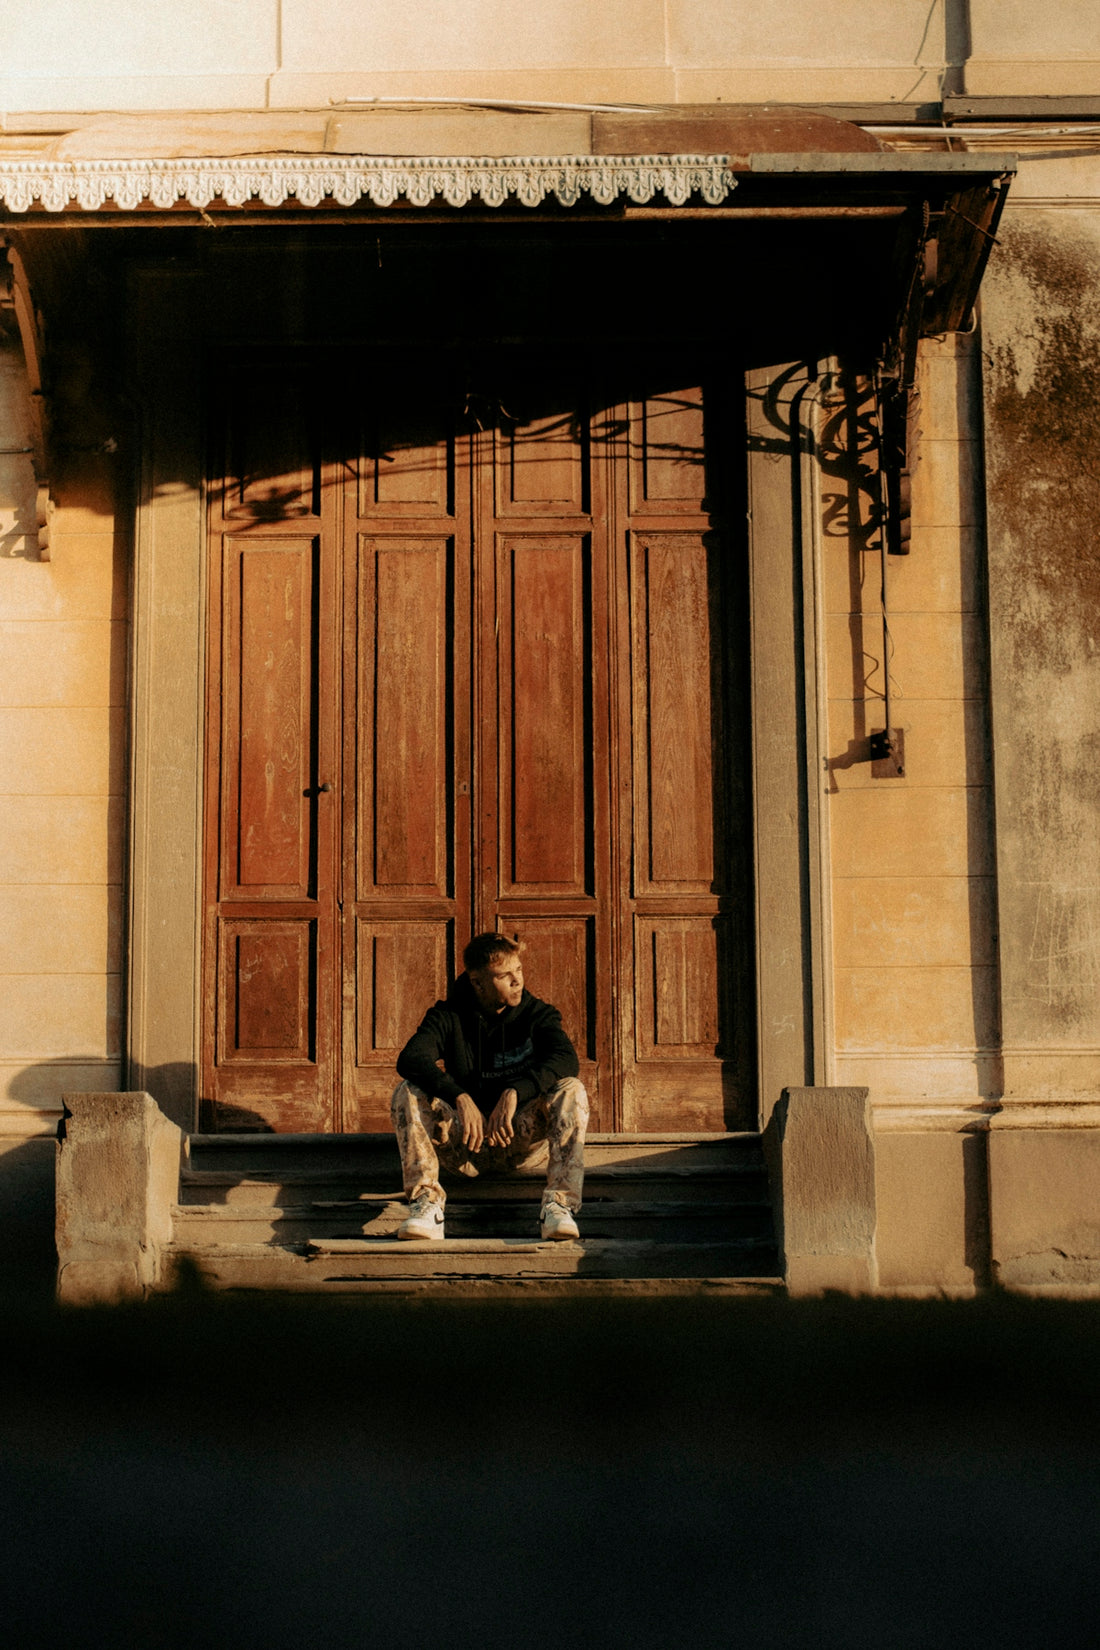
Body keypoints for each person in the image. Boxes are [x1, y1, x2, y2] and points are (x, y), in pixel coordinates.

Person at [391, 933, 588, 1243]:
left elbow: (566, 1059)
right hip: (463, 1144)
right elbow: (411, 1058)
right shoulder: (448, 1015)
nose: (517, 981)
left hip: (518, 1139)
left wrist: (515, 1092)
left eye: (519, 970)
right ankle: (426, 1205)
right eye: (504, 975)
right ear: (478, 982)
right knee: (408, 1090)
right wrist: (458, 1096)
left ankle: (559, 1207)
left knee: (571, 1088)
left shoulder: (537, 1014)